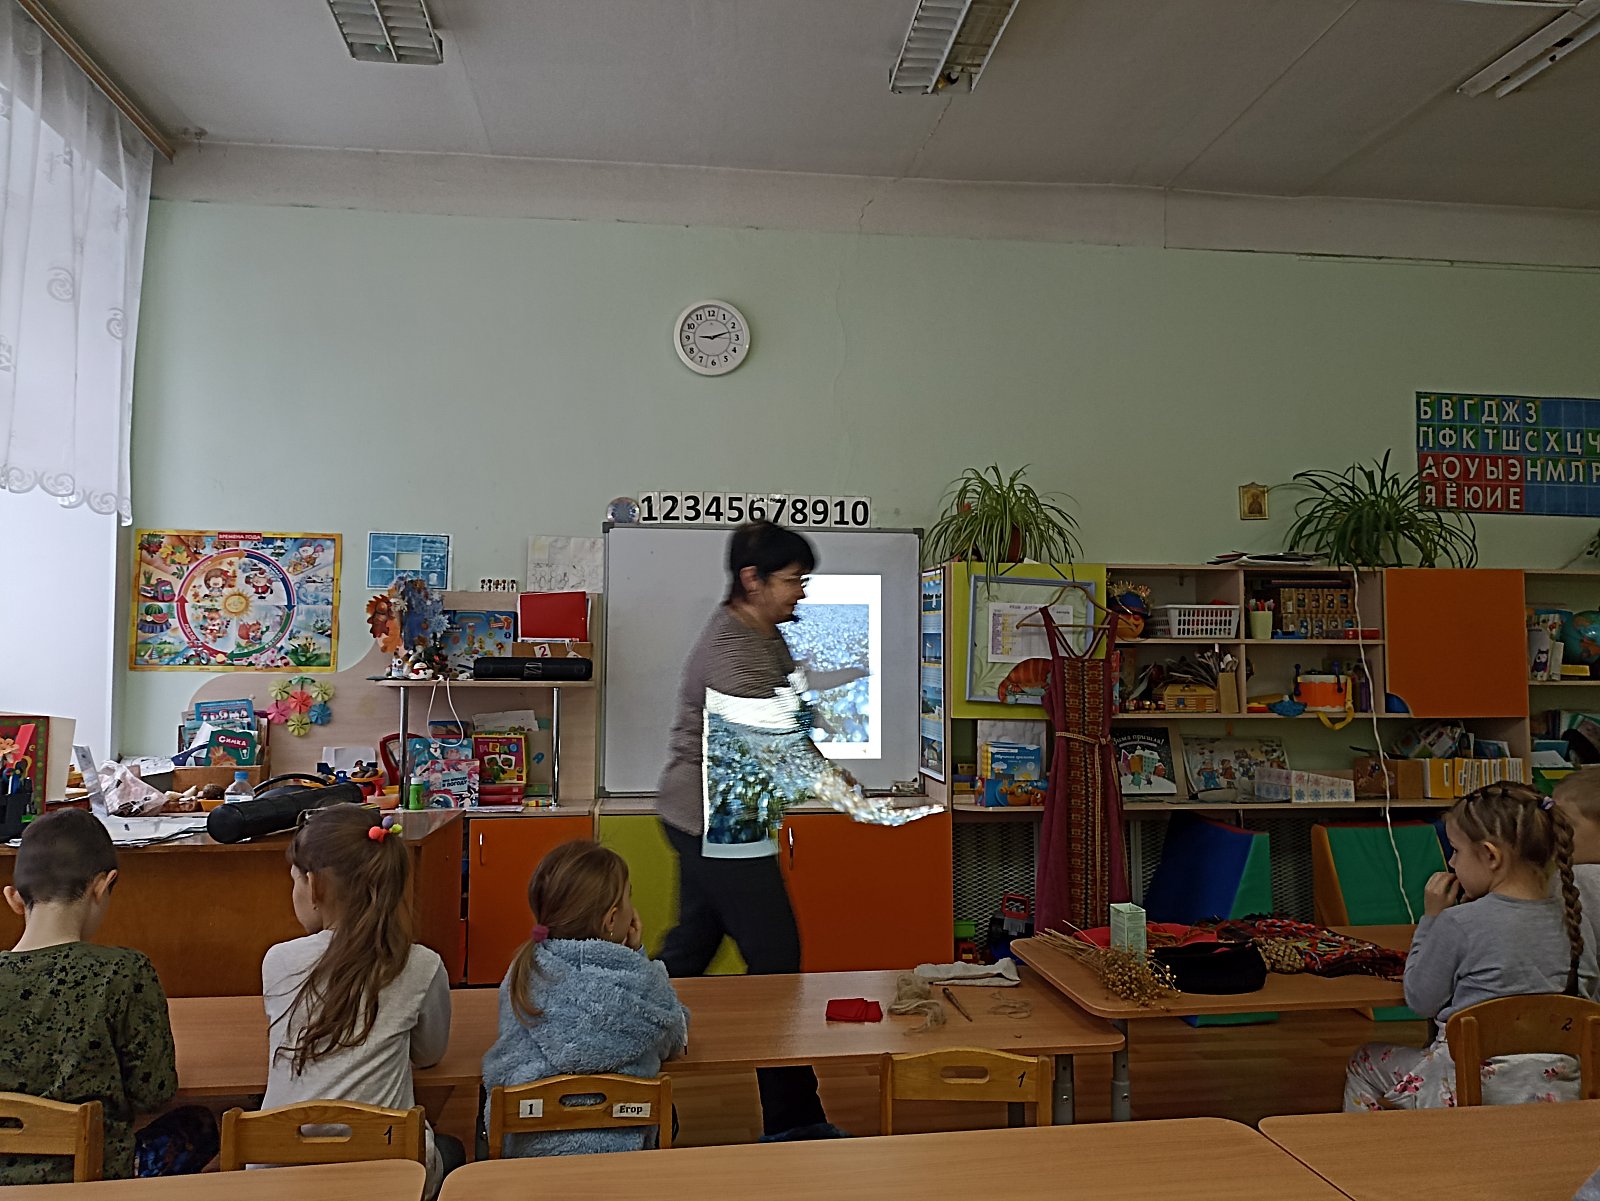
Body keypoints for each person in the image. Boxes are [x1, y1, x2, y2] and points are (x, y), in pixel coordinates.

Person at [656, 520, 847, 1141]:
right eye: (792, 581)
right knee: (777, 963)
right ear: (751, 579)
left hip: (712, 817)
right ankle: (797, 1120)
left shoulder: (764, 633)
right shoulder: (731, 654)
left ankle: (609, 1054)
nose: (801, 593)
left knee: (688, 953)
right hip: (715, 824)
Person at [1343, 783, 1597, 1110]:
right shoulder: (1575, 919)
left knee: (1363, 1060)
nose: (1452, 862)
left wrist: (1431, 918)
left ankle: (1377, 1146)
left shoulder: (1458, 923)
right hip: (1559, 1087)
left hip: (1466, 1085)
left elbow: (1421, 1000)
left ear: (1491, 856)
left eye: (1456, 851)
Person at [0, 808, 217, 1183]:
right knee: (201, 1123)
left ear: (14, 899)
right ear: (102, 886)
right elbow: (154, 1092)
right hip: (96, 1176)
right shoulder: (124, 972)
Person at [260, 806, 460, 1196]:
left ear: (314, 887)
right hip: (391, 1177)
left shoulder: (278, 961)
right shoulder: (421, 964)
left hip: (281, 1176)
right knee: (450, 1148)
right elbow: (429, 1054)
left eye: (295, 880)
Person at [481, 840, 687, 1157]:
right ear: (611, 920)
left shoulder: (523, 972)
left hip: (528, 1159)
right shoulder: (644, 982)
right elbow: (674, 1037)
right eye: (629, 897)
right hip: (623, 1156)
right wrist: (637, 956)